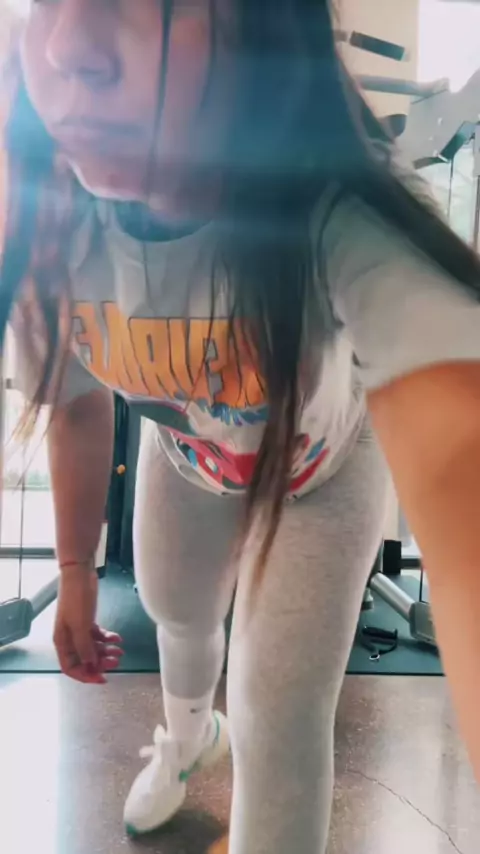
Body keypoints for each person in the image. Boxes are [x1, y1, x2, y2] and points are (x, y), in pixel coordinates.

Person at [2, 2, 480, 852]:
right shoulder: (44, 219)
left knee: (279, 709)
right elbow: (76, 403)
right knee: (176, 609)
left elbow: (460, 450)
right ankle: (190, 741)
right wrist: (75, 572)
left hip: (322, 473)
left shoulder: (334, 206)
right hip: (190, 454)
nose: (69, 46)